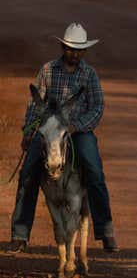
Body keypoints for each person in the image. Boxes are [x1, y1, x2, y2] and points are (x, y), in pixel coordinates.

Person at [9, 24, 118, 253]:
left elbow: (97, 107)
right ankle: (20, 233)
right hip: (48, 130)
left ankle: (105, 229)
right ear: (62, 46)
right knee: (28, 172)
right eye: (71, 48)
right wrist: (29, 132)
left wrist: (76, 126)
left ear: (85, 51)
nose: (75, 53)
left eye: (80, 50)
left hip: (78, 131)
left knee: (94, 170)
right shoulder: (48, 70)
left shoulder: (89, 74)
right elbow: (34, 104)